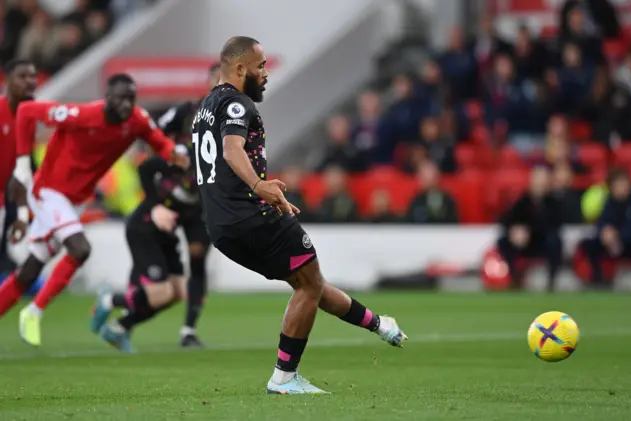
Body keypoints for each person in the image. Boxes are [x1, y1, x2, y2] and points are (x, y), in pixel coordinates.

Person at [191, 36, 407, 394]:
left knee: (309, 284)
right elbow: (231, 151)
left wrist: (256, 183)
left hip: (221, 227)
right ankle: (285, 377)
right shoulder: (236, 104)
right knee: (309, 283)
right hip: (250, 216)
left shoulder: (204, 109)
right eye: (260, 67)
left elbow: (221, 165)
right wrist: (258, 188)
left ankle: (380, 324)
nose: (265, 74)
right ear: (240, 68)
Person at [0, 74, 189, 347]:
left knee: (28, 272)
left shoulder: (136, 120)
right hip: (49, 192)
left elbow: (158, 141)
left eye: (131, 99)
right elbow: (28, 111)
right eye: (120, 99)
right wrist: (21, 165)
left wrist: (175, 154)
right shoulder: (82, 114)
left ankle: (30, 310)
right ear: (107, 98)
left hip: (74, 201)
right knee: (81, 249)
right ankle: (33, 311)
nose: (126, 105)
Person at [90, 150, 204, 351]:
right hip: (144, 229)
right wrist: (155, 206)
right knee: (160, 293)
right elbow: (145, 168)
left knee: (178, 292)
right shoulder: (188, 158)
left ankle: (119, 328)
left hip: (167, 236)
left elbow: (195, 214)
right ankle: (109, 299)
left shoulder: (211, 180)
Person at [149, 62, 220, 347]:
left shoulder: (234, 117)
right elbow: (152, 132)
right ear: (208, 81)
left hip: (201, 201)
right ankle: (127, 310)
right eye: (217, 78)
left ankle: (188, 329)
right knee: (156, 263)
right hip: (168, 197)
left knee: (198, 257)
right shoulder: (186, 111)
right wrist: (172, 153)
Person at [496, 166, 564, 292]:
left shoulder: (554, 203)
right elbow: (506, 220)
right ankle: (514, 277)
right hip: (525, 244)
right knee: (503, 241)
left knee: (554, 240)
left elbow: (555, 225)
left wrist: (529, 231)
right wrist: (515, 231)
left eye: (544, 179)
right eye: (539, 179)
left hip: (543, 242)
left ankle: (551, 280)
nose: (541, 183)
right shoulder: (522, 201)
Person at [0, 59, 37, 274]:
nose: (30, 81)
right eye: (23, 76)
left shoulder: (29, 115)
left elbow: (25, 161)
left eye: (33, 76)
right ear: (7, 80)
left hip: (8, 195)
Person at [583, 168, 631, 289]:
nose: (622, 187)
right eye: (618, 184)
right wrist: (605, 231)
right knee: (589, 244)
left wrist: (618, 237)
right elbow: (602, 221)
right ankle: (597, 280)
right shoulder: (610, 201)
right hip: (613, 243)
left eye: (624, 183)